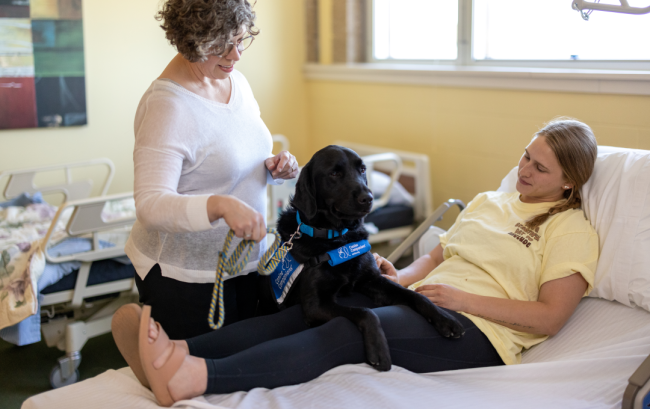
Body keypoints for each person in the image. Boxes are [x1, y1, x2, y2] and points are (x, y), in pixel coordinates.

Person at [113, 119, 599, 406]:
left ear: (568, 185)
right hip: (427, 299)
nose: (524, 170)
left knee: (347, 330)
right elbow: (438, 253)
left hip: (477, 329)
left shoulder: (569, 228)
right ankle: (177, 349)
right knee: (295, 316)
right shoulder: (491, 201)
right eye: (525, 156)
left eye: (540, 168)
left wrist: (460, 298)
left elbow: (552, 317)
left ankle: (193, 378)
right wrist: (400, 275)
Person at [122, 0, 299, 346]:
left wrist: (275, 167)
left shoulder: (236, 81)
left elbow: (229, 154)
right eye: (223, 46)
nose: (236, 55)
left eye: (241, 40)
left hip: (246, 261)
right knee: (200, 383)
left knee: (246, 372)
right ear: (192, 43)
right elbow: (151, 206)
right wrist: (220, 206)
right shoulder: (166, 107)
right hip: (185, 274)